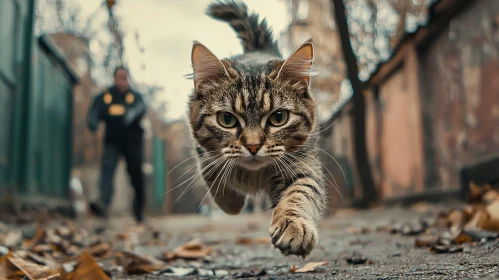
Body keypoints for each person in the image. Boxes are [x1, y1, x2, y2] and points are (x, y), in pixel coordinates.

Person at [87, 66, 147, 224]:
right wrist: (93, 121)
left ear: (127, 78)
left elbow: (142, 107)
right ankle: (103, 204)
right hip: (112, 141)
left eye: (124, 77)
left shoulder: (135, 97)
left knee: (136, 175)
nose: (121, 80)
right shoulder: (105, 97)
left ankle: (139, 209)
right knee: (107, 171)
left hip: (133, 143)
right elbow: (95, 111)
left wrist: (133, 113)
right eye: (118, 77)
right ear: (114, 78)